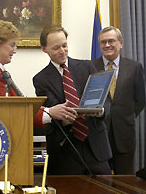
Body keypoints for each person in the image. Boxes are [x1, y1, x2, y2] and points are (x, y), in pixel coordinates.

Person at [33, 24, 112, 175]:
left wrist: (99, 111)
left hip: (95, 146)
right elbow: (52, 111)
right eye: (56, 48)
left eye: (64, 45)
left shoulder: (88, 67)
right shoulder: (41, 79)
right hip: (66, 150)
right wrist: (66, 117)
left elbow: (107, 102)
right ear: (44, 49)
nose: (62, 51)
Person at [0, 19, 77, 129]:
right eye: (12, 45)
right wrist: (50, 112)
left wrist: (48, 111)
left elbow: (16, 105)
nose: (14, 50)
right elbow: (7, 113)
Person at [92, 26, 146, 174]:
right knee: (100, 182)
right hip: (98, 134)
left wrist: (125, 116)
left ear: (121, 43)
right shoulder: (90, 67)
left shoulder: (134, 67)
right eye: (103, 42)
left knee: (125, 181)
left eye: (111, 41)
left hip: (124, 134)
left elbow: (140, 101)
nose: (107, 45)